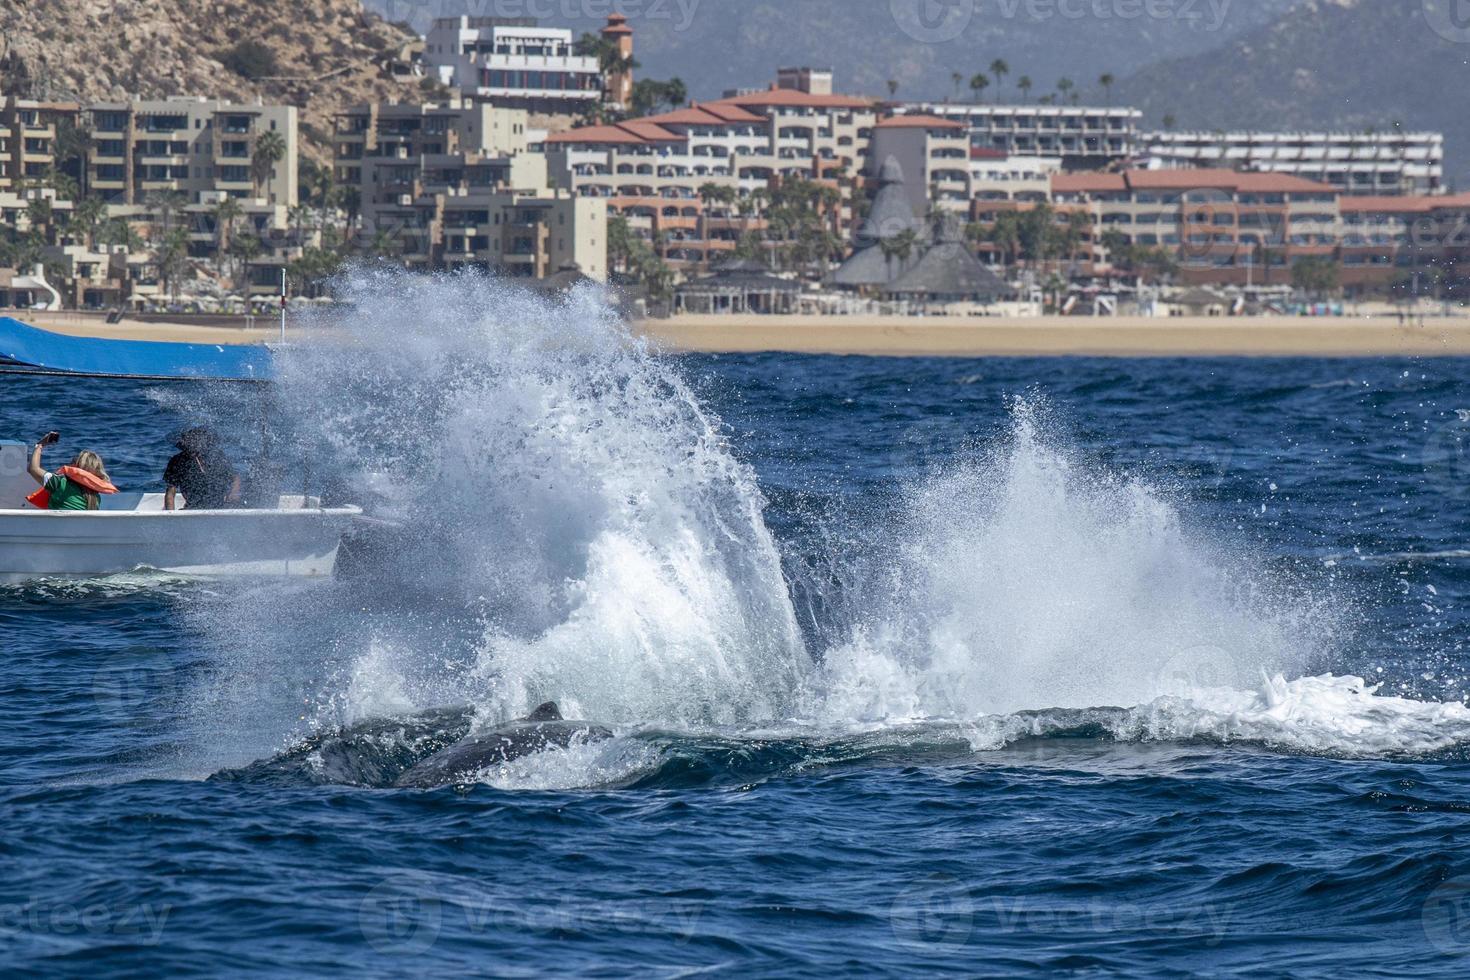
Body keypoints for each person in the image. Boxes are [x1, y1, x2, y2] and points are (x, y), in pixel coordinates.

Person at [26, 432, 119, 511]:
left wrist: (40, 445)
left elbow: (33, 469)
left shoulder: (60, 483)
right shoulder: (95, 497)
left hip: (56, 530)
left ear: (77, 466)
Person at [164, 427, 240, 511]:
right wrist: (170, 515)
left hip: (219, 507)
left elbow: (235, 478)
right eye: (189, 445)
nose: (192, 448)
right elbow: (170, 491)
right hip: (192, 508)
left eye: (196, 444)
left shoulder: (216, 457)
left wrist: (234, 493)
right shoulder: (177, 461)